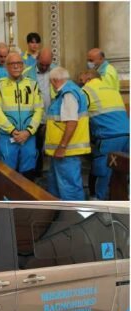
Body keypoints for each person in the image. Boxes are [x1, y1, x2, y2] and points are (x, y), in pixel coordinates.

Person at [0, 53, 44, 179]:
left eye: (19, 63)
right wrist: (12, 130)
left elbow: (39, 110)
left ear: (23, 65)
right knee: (7, 175)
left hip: (28, 136)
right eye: (12, 64)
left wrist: (28, 131)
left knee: (28, 174)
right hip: (7, 137)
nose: (16, 66)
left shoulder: (33, 84)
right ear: (6, 66)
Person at [79, 69, 130, 200]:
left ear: (88, 78)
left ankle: (96, 200)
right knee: (123, 170)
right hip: (127, 134)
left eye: (81, 79)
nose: (81, 83)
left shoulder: (86, 91)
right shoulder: (113, 90)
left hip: (108, 137)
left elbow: (79, 115)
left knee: (101, 172)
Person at [44, 67, 90, 200]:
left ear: (54, 80)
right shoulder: (69, 91)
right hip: (62, 151)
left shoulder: (68, 93)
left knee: (69, 188)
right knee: (57, 185)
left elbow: (71, 122)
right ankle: (60, 211)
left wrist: (62, 146)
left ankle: (74, 212)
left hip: (66, 151)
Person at [24, 47, 57, 176]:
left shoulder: (57, 71)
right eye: (42, 64)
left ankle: (53, 172)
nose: (44, 67)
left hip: (52, 116)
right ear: (36, 59)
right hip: (34, 116)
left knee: (53, 145)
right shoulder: (27, 73)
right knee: (35, 146)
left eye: (47, 65)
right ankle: (37, 171)